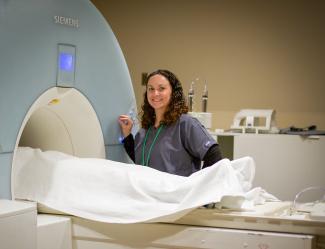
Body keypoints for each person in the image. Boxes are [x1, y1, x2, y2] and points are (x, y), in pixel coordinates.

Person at [118, 69, 222, 176]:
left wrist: (197, 184)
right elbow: (140, 159)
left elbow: (214, 155)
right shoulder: (145, 130)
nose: (155, 93)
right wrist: (127, 134)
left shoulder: (185, 124)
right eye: (151, 89)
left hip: (177, 191)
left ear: (173, 92)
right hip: (148, 191)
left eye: (161, 88)